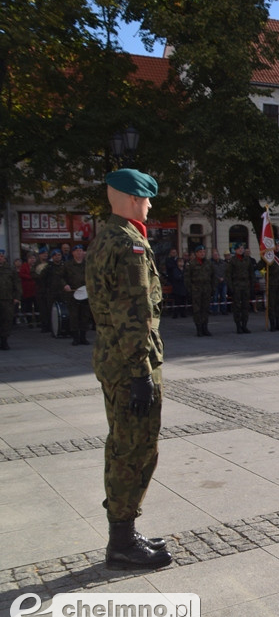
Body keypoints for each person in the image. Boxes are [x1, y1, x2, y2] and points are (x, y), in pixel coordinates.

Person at [85, 168, 171, 569]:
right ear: (135, 199)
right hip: (130, 363)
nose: (151, 205)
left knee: (125, 445)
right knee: (134, 450)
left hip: (114, 359)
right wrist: (140, 373)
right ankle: (121, 541)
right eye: (148, 198)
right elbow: (133, 313)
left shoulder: (106, 237)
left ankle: (125, 531)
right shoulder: (128, 244)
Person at [60, 244, 91, 345]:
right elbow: (61, 278)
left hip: (85, 294)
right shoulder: (67, 265)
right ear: (73, 253)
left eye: (81, 250)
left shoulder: (88, 265)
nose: (79, 253)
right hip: (73, 294)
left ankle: (83, 337)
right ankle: (75, 338)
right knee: (74, 316)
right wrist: (65, 285)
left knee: (85, 316)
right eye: (77, 251)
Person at [185, 245, 214, 336]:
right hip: (196, 289)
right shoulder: (191, 264)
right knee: (197, 310)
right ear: (196, 253)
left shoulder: (209, 263)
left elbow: (213, 276)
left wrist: (212, 288)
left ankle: (205, 327)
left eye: (204, 252)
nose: (202, 253)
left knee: (205, 309)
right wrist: (190, 289)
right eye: (201, 252)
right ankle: (199, 328)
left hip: (206, 289)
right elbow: (187, 278)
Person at [226, 243, 252, 334]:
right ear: (235, 250)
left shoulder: (247, 260)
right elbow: (228, 275)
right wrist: (230, 287)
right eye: (239, 248)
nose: (241, 250)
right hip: (236, 284)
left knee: (245, 306)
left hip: (246, 285)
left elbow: (251, 273)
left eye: (242, 248)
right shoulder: (232, 261)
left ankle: (244, 325)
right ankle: (238, 326)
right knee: (237, 306)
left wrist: (251, 285)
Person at [0, 249, 21, 350]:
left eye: (2, 256)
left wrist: (17, 296)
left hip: (7, 299)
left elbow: (17, 283)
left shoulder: (10, 269)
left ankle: (4, 340)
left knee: (7, 320)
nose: (1, 258)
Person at [265, 248, 279, 331]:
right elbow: (260, 268)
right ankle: (272, 324)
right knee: (272, 304)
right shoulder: (268, 255)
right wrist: (265, 275)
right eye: (276, 245)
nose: (278, 247)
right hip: (272, 284)